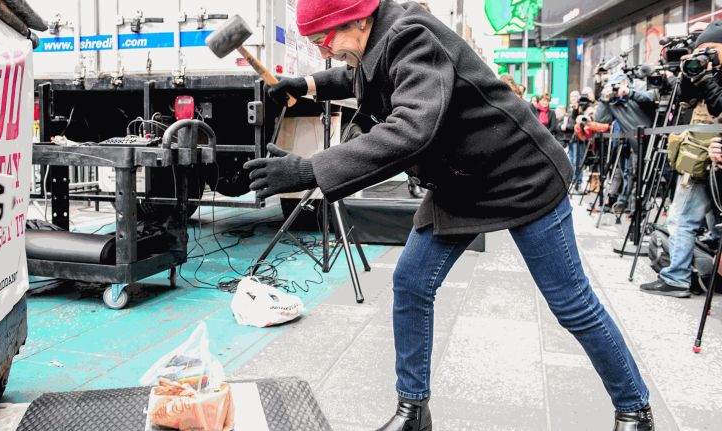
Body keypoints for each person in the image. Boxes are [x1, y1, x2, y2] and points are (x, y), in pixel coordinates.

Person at [244, 1, 653, 429]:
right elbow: (356, 76)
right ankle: (413, 413)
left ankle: (634, 410)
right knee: (412, 284)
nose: (324, 52)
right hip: (463, 182)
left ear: (358, 20)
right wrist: (304, 83)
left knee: (571, 302)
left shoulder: (412, 36)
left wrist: (311, 168)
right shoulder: (377, 39)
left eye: (323, 41)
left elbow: (410, 128)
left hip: (520, 175)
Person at [640, 21, 722, 298]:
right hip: (700, 156)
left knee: (682, 219)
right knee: (707, 221)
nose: (704, 55)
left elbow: (718, 105)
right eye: (701, 49)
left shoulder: (716, 77)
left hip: (708, 158)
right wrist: (692, 75)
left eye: (710, 49)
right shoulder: (706, 72)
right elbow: (685, 99)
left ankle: (676, 278)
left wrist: (709, 79)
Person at [595, 73, 656, 214]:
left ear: (624, 82)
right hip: (636, 145)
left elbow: (651, 98)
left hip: (655, 141)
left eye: (616, 86)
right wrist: (604, 100)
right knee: (636, 177)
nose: (615, 90)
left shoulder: (639, 85)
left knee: (651, 177)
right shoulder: (612, 101)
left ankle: (640, 210)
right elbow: (601, 119)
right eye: (612, 87)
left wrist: (630, 93)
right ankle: (636, 214)